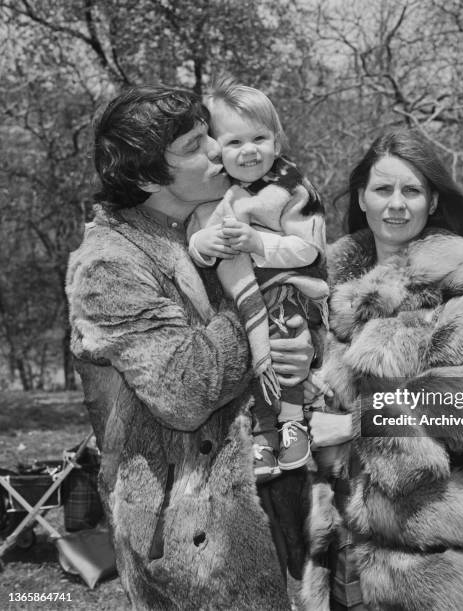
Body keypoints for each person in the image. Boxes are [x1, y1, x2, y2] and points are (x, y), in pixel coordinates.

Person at [65, 85, 314, 610]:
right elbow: (186, 391)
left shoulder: (196, 227)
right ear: (148, 175)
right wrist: (255, 297)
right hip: (189, 541)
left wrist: (294, 352)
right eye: (194, 145)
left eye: (210, 136)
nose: (216, 153)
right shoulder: (110, 263)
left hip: (256, 508)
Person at [302, 128, 463, 610]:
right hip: (342, 546)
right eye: (383, 189)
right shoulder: (325, 290)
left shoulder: (461, 293)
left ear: (433, 200)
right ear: (362, 197)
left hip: (431, 562)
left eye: (411, 190)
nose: (396, 204)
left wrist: (355, 425)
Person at [187, 80, 328, 476]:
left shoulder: (291, 189)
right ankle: (261, 437)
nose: (248, 150)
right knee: (245, 358)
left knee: (285, 345)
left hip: (286, 286)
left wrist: (258, 241)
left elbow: (309, 248)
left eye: (259, 138)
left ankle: (292, 421)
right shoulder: (216, 194)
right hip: (240, 297)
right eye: (233, 142)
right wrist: (206, 243)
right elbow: (194, 243)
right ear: (216, 149)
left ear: (276, 143)